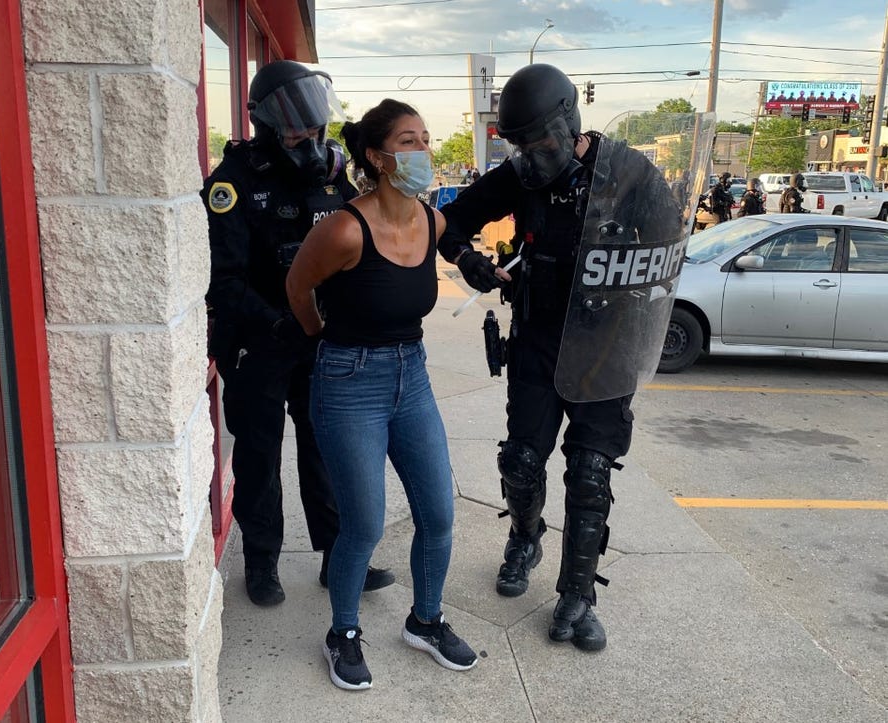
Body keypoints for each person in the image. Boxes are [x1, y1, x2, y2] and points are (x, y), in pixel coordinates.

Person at [437, 63, 680, 653]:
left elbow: (667, 253)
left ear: (570, 121)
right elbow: (449, 223)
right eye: (519, 144)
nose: (532, 154)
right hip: (539, 339)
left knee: (592, 473)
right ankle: (525, 537)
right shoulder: (518, 177)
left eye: (541, 140)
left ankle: (579, 594)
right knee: (522, 461)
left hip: (607, 347)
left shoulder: (631, 173)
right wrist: (468, 261)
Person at [286, 99, 477, 690]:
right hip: (348, 383)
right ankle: (342, 632)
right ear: (378, 156)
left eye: (425, 139)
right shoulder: (344, 227)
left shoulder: (431, 219)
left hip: (411, 377)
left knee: (439, 513)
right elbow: (297, 286)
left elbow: (457, 244)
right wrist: (323, 339)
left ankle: (425, 620)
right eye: (408, 140)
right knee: (364, 524)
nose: (423, 151)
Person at [202, 60, 395, 607]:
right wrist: (279, 318)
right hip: (258, 344)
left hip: (318, 343)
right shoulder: (232, 184)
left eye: (314, 128)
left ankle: (339, 558)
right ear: (265, 126)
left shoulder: (333, 175)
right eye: (295, 131)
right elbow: (222, 280)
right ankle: (261, 562)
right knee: (259, 456)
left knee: (327, 449)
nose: (308, 140)